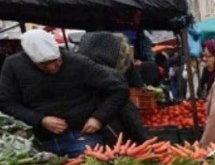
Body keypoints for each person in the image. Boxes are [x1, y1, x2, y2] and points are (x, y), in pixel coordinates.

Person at [0, 29, 129, 157]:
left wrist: (99, 118)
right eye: (44, 65)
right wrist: (40, 120)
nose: (52, 67)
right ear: (30, 59)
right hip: (38, 139)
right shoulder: (13, 65)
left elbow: (119, 89)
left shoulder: (78, 62)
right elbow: (6, 101)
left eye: (56, 61)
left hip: (81, 135)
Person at [77, 32, 149, 144]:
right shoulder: (110, 75)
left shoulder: (70, 71)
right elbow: (129, 114)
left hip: (76, 137)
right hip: (110, 134)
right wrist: (144, 140)